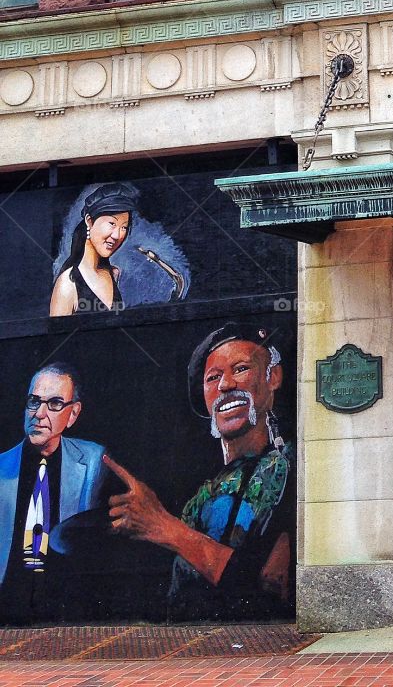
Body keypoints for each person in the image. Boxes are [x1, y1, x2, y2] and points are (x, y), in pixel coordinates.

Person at [106, 323, 293, 619]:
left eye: (241, 369)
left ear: (274, 376)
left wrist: (163, 527)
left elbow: (265, 587)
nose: (225, 385)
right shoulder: (202, 489)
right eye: (213, 377)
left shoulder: (287, 469)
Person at [0, 364, 107, 617]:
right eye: (34, 402)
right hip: (7, 596)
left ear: (73, 414)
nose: (39, 413)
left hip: (65, 599)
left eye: (55, 403)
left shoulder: (93, 460)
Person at [50, 183, 138, 315]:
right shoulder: (67, 284)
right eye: (112, 224)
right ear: (89, 221)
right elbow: (56, 334)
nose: (117, 235)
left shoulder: (114, 274)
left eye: (124, 227)